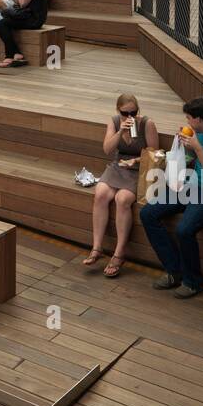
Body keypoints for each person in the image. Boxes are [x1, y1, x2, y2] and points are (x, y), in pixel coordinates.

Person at [140, 97, 203, 299]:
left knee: (184, 230)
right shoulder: (198, 134)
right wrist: (183, 149)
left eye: (188, 118)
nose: (186, 122)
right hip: (192, 186)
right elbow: (192, 162)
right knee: (148, 213)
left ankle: (193, 282)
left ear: (199, 119)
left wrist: (198, 148)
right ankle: (174, 270)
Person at [85, 95, 160, 278]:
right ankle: (97, 247)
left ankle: (119, 253)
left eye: (133, 112)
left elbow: (154, 155)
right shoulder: (115, 122)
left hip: (139, 169)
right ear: (118, 111)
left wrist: (135, 160)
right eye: (125, 113)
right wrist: (120, 132)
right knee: (101, 193)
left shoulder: (146, 124)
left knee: (122, 199)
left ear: (138, 111)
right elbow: (107, 149)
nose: (129, 116)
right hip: (118, 165)